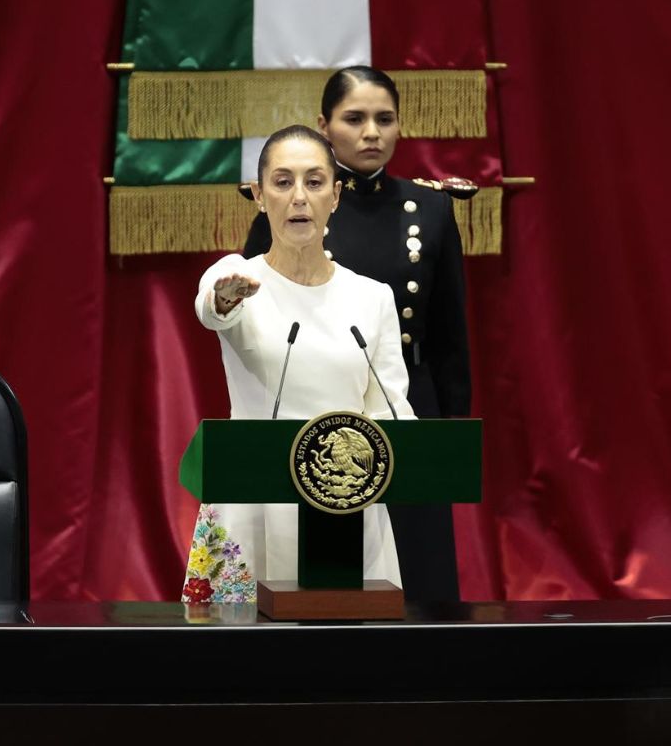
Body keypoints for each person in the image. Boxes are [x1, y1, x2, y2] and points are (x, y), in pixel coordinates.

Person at [242, 66, 470, 603]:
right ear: (325, 126)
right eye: (355, 118)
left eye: (384, 119)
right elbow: (257, 316)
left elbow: (447, 332)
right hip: (316, 409)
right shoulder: (297, 207)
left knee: (419, 569)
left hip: (407, 402)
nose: (372, 132)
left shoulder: (430, 209)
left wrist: (450, 424)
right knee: (321, 570)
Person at [181, 125, 413, 604]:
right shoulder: (238, 276)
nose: (299, 197)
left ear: (336, 195)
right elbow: (211, 308)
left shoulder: (372, 297)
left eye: (314, 182)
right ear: (259, 196)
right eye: (283, 182)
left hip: (347, 507)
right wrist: (224, 300)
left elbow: (392, 411)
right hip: (252, 504)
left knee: (349, 666)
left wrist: (414, 449)